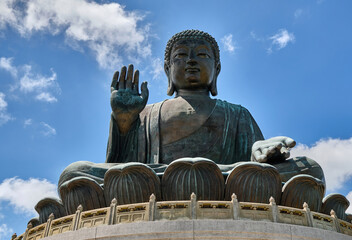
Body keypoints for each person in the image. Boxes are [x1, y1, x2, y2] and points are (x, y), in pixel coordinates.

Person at [58, 30, 324, 215]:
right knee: (73, 173)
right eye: (181, 56)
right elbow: (120, 167)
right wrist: (124, 122)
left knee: (309, 169)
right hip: (154, 181)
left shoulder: (237, 113)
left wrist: (261, 153)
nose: (192, 61)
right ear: (167, 70)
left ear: (216, 69)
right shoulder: (147, 113)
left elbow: (256, 163)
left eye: (202, 56)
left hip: (226, 179)